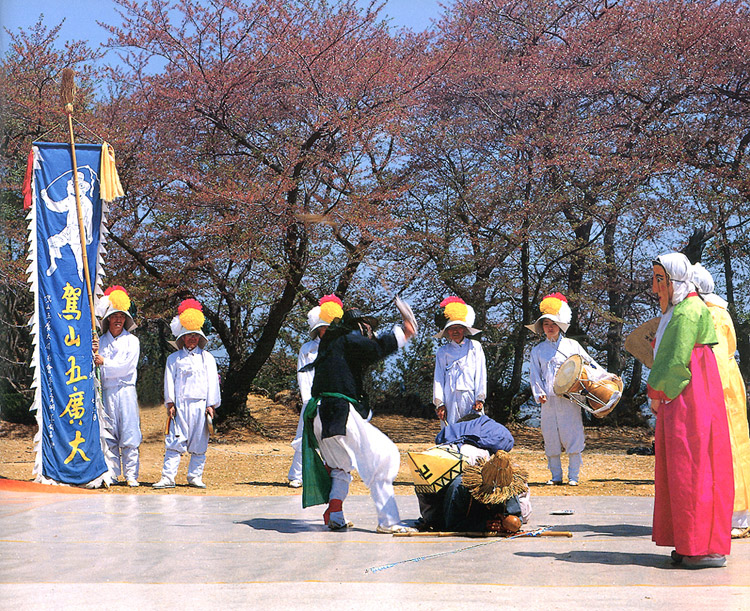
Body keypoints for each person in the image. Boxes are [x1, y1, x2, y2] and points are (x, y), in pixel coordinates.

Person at [648, 253, 734, 568]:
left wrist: (657, 393)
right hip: (686, 392)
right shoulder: (682, 309)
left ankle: (702, 545)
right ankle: (689, 541)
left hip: (688, 393)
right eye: (655, 279)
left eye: (661, 280)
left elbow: (675, 359)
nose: (656, 287)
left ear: (676, 281)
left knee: (694, 465)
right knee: (683, 466)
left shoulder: (687, 311)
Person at [301, 304, 417, 533]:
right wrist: (403, 333)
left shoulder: (330, 346)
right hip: (337, 412)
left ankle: (335, 514)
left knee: (340, 466)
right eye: (364, 325)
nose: (368, 329)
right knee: (384, 456)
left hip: (321, 416)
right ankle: (389, 521)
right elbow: (375, 349)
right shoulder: (344, 340)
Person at [692, 263, 750, 539]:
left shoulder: (713, 314)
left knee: (730, 448)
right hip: (723, 381)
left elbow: (713, 355)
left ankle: (738, 516)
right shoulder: (712, 311)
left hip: (721, 384)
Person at [527, 292, 607, 486]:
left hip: (570, 398)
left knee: (572, 435)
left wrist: (605, 377)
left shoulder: (572, 345)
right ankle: (555, 476)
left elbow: (589, 365)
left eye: (553, 324)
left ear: (560, 325)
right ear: (542, 327)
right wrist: (539, 393)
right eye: (546, 324)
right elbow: (534, 374)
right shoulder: (538, 350)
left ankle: (573, 476)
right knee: (551, 436)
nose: (550, 328)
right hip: (549, 400)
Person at [414, 413, 532, 533]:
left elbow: (517, 519)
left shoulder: (507, 480)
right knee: (434, 519)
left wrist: (505, 521)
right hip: (449, 498)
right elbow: (452, 524)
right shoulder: (459, 484)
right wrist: (481, 525)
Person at [153, 299, 221, 489]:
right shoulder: (173, 359)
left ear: (200, 338)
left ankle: (194, 476)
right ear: (182, 337)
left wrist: (211, 405)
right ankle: (168, 477)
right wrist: (170, 403)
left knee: (200, 442)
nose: (192, 339)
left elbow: (212, 382)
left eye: (195, 336)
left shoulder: (207, 358)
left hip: (200, 405)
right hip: (181, 405)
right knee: (175, 441)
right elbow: (169, 381)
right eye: (188, 335)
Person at [287, 295, 343, 488]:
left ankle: (331, 474)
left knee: (333, 438)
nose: (327, 331)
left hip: (333, 401)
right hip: (311, 400)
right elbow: (303, 376)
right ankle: (297, 475)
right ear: (318, 328)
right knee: (304, 437)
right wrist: (308, 399)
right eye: (324, 327)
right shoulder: (307, 349)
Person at [93, 285, 141, 487]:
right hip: (107, 391)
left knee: (129, 433)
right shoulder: (100, 341)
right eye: (114, 316)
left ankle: (131, 475)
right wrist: (93, 352)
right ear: (108, 319)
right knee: (109, 434)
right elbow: (95, 368)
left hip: (126, 391)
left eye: (122, 316)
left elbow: (127, 367)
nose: (118, 320)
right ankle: (111, 473)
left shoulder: (133, 341)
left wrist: (105, 362)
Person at [433, 297, 487, 426]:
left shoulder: (475, 347)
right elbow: (439, 378)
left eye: (458, 327)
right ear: (447, 331)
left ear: (464, 329)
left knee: (472, 430)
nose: (455, 331)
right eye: (451, 328)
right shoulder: (443, 351)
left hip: (470, 397)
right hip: (450, 398)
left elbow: (481, 373)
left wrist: (480, 398)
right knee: (450, 432)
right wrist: (439, 403)